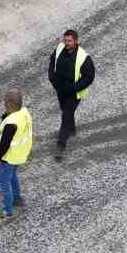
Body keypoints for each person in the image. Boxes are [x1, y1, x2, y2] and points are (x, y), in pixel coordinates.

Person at [47, 29, 95, 160]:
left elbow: (89, 77)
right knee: (65, 111)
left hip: (74, 94)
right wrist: (52, 78)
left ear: (76, 41)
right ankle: (71, 128)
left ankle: (60, 145)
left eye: (69, 41)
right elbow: (52, 61)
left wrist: (74, 88)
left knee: (66, 114)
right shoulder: (59, 49)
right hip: (60, 90)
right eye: (65, 40)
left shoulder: (84, 58)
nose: (66, 43)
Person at [0, 88, 33, 227]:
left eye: (5, 103)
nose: (3, 105)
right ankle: (17, 199)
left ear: (9, 104)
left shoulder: (11, 125)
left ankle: (8, 212)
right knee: (13, 177)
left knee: (4, 184)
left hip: (9, 157)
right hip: (19, 154)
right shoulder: (23, 112)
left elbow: (4, 146)